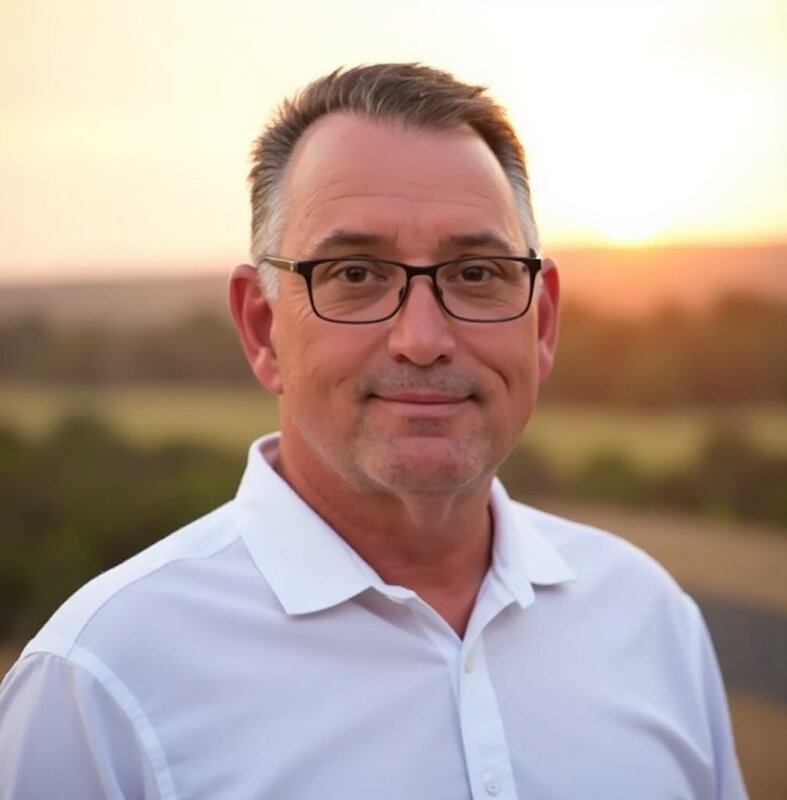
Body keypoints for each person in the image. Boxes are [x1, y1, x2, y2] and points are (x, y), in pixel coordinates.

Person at [0, 63, 747, 799]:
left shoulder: (649, 619)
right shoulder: (100, 682)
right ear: (262, 329)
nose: (422, 338)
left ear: (542, 322)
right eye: (355, 275)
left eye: (477, 274)